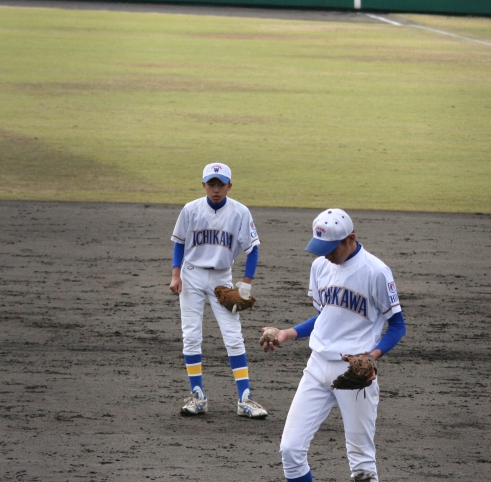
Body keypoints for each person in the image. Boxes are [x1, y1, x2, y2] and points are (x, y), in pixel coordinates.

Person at [261, 208, 406, 482]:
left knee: (362, 463)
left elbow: (398, 325)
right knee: (290, 450)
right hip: (317, 367)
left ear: (350, 238)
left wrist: (371, 357)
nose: (325, 254)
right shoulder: (320, 267)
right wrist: (287, 333)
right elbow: (325, 316)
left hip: (355, 373)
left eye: (330, 248)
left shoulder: (376, 271)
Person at [169, 162, 268, 419]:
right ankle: (197, 396)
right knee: (191, 335)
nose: (216, 189)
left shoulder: (240, 212)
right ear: (203, 185)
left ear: (229, 186)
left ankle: (245, 399)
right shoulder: (190, 210)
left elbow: (253, 249)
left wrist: (246, 284)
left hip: (222, 278)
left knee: (233, 336)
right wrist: (176, 274)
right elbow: (179, 243)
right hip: (191, 275)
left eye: (221, 184)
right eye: (211, 184)